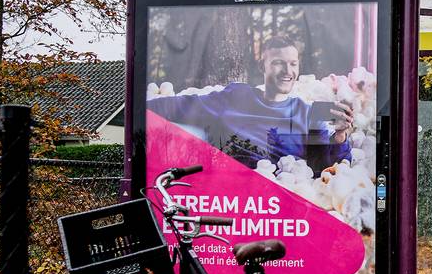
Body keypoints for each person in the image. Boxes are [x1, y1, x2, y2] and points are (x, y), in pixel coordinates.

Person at [147, 35, 354, 173]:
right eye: (278, 63)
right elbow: (180, 106)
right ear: (261, 66)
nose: (287, 71)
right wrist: (139, 110)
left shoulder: (308, 112)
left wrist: (339, 137)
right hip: (231, 198)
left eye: (293, 64)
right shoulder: (236, 97)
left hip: (281, 206)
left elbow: (322, 168)